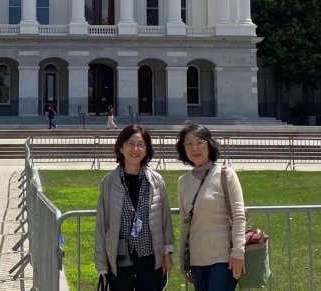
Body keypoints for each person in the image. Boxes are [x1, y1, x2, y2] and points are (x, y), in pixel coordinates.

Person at [94, 125, 174, 290]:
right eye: (130, 144)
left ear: (147, 149)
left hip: (150, 258)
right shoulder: (109, 182)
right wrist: (102, 264)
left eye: (140, 145)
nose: (135, 149)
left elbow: (165, 220)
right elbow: (102, 225)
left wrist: (167, 253)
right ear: (121, 148)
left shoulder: (156, 181)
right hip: (120, 258)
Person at [176, 123, 246, 290]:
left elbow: (238, 215)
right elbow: (185, 224)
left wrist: (238, 252)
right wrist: (183, 260)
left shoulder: (226, 174)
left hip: (224, 258)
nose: (195, 148)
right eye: (189, 144)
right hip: (197, 260)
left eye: (199, 142)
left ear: (209, 144)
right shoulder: (183, 182)